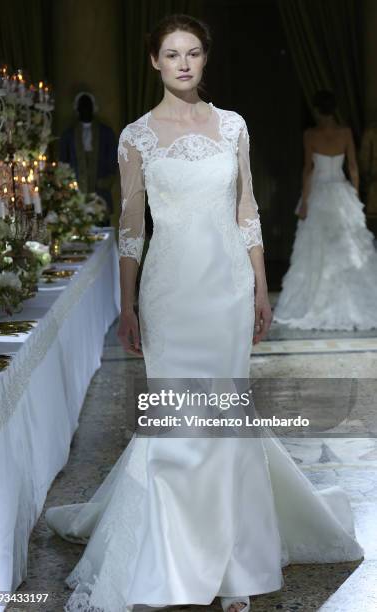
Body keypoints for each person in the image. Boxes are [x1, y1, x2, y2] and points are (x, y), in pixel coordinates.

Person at [45, 19, 364, 612]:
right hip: (170, 293)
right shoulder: (137, 137)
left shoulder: (232, 126)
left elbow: (247, 211)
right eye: (172, 54)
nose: (184, 63)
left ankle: (233, 566)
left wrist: (261, 288)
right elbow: (132, 226)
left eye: (193, 53)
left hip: (226, 293)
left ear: (204, 60)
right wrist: (129, 302)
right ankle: (171, 561)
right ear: (155, 63)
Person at [273, 90, 377, 330]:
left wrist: (306, 202)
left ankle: (316, 300)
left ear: (318, 110)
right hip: (341, 193)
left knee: (317, 248)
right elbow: (352, 167)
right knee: (345, 248)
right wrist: (355, 195)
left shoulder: (310, 135)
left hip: (319, 193)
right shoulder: (345, 133)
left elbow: (308, 169)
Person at [59, 91, 118, 223]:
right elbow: (63, 162)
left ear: (93, 107)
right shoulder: (68, 134)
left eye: (88, 105)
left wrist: (107, 180)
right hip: (77, 191)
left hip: (100, 190)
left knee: (102, 227)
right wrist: (68, 185)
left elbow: (113, 159)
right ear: (77, 108)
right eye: (82, 105)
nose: (85, 108)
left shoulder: (106, 132)